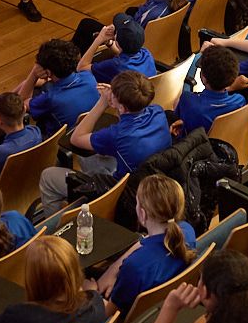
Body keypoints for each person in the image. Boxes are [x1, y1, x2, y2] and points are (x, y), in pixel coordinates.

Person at [38, 70, 174, 216]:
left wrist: (102, 102)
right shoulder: (158, 111)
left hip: (120, 193)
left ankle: (55, 224)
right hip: (150, 180)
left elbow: (76, 138)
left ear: (122, 107)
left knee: (48, 176)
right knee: (90, 154)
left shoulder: (116, 135)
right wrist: (120, 95)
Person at [97, 174, 198, 314]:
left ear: (142, 214)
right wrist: (114, 268)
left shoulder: (134, 268)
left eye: (137, 202)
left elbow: (110, 314)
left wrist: (91, 292)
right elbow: (145, 240)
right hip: (161, 310)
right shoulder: (186, 231)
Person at [15, 39, 98, 138]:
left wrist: (34, 74)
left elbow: (19, 104)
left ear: (49, 72)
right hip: (90, 130)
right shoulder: (89, 77)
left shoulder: (51, 98)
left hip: (57, 140)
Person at [172, 45, 247, 137]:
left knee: (175, 104)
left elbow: (179, 118)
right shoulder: (239, 100)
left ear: (203, 78)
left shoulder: (188, 100)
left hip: (192, 145)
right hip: (224, 143)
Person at [79, 13, 158, 83]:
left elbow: (81, 68)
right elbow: (125, 56)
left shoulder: (114, 65)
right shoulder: (146, 53)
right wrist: (109, 43)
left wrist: (99, 39)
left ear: (116, 41)